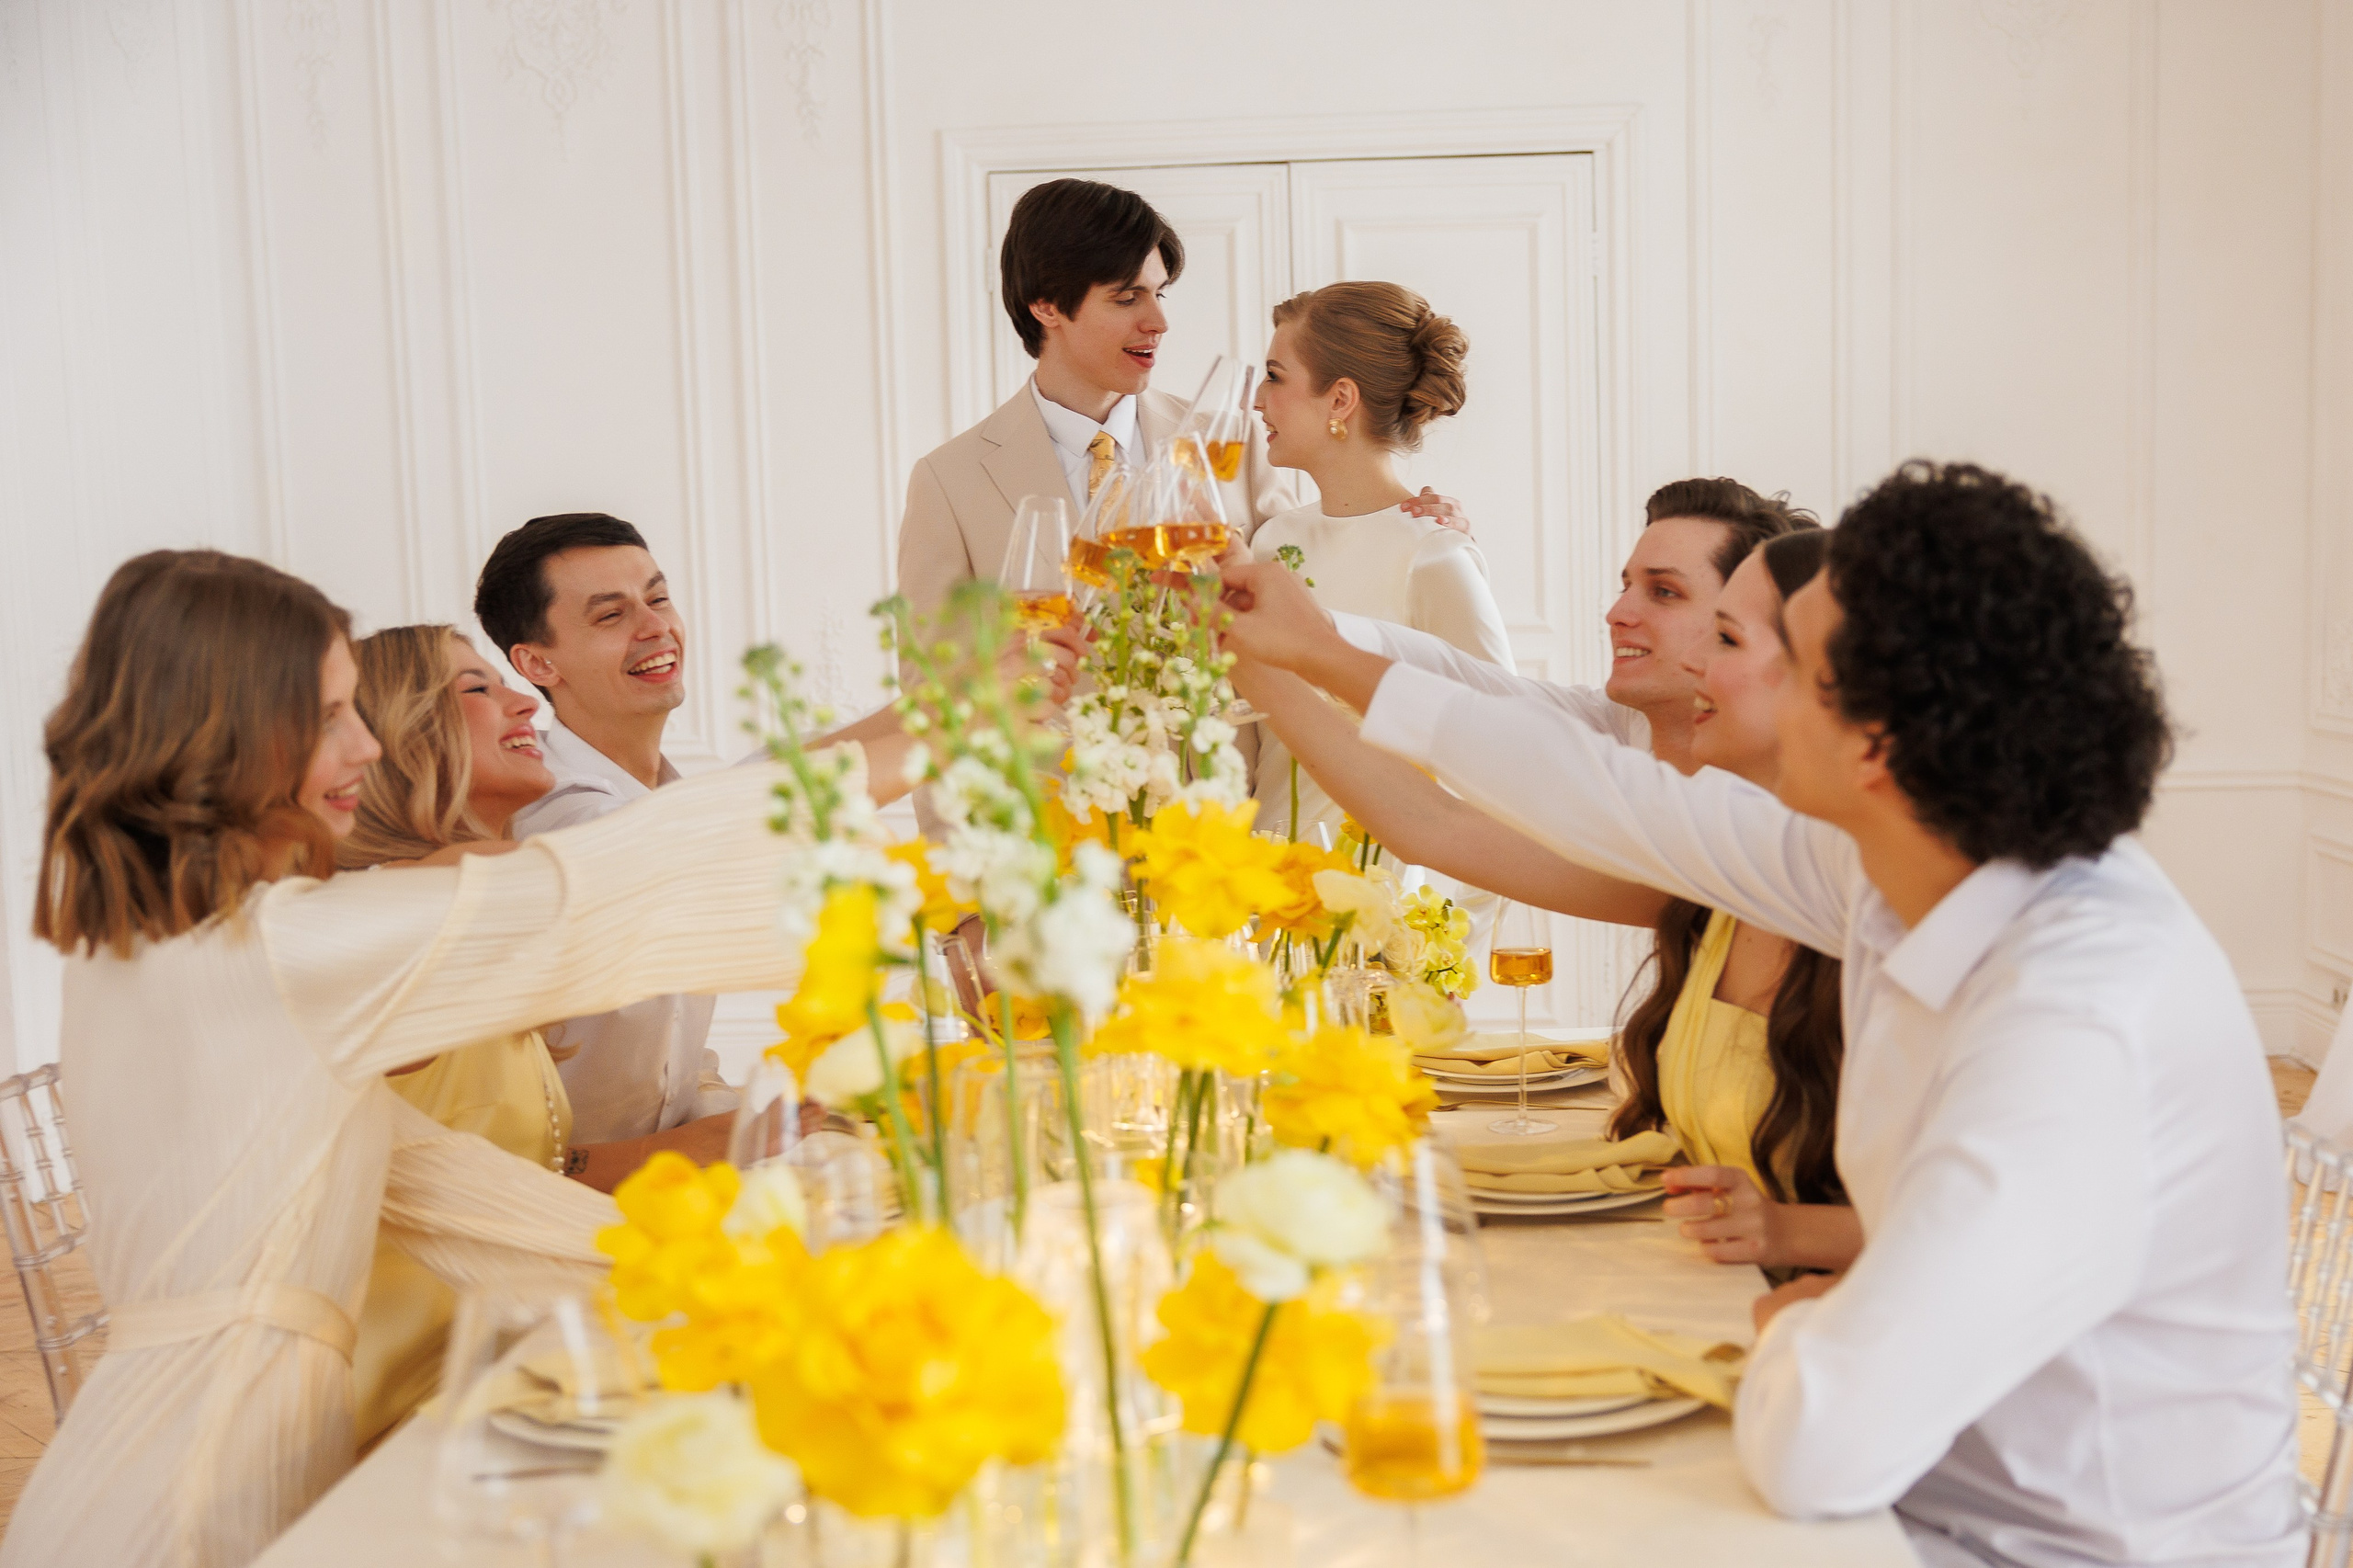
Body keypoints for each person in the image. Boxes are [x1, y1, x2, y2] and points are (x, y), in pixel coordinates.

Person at [1217, 462, 2302, 1565]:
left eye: (1779, 660)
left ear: (1874, 744)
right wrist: (1321, 656)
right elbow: (1608, 797)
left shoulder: (2076, 1019)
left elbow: (1821, 1442)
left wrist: (1804, 1322)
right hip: (1919, 1493)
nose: (1709, 681)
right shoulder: (1891, 864)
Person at [9, 549, 912, 1567]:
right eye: (330, 716)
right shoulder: (281, 956)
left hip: (209, 1473)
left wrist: (739, 1282)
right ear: (229, 733)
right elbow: (590, 890)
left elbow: (450, 1196)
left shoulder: (154, 953)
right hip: (181, 1508)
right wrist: (935, 735)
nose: (365, 747)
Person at [1239, 517, 1853, 1268]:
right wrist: (1258, 661)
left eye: (1725, 639)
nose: (1701, 667)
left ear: (1825, 686)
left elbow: (1555, 773)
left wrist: (1314, 650)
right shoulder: (1717, 868)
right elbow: (1434, 818)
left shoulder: (1812, 868)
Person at [1244, 281, 1510, 846]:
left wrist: (1448, 930)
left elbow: (1498, 763)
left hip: (1387, 904)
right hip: (1262, 894)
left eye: (1275, 376)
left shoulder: (1433, 557)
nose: (1258, 400)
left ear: (1340, 400)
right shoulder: (1271, 545)